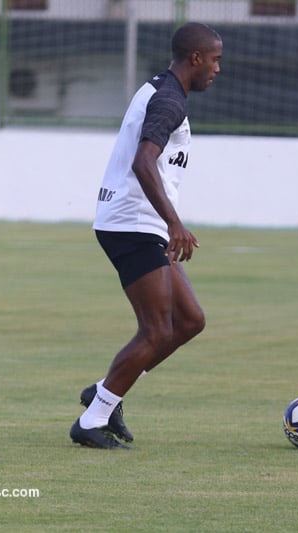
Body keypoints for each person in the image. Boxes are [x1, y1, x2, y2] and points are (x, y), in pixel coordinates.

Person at [70, 22, 223, 449]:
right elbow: (144, 161)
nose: (217, 69)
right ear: (195, 57)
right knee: (156, 330)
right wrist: (175, 221)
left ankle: (104, 391)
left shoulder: (162, 89)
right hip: (130, 223)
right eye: (215, 59)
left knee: (189, 321)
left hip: (141, 222)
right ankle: (92, 419)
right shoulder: (169, 100)